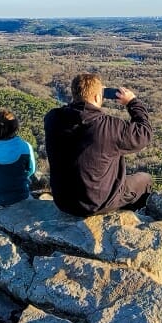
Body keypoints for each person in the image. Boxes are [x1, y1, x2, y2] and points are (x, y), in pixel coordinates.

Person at [44, 72, 153, 217]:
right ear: (97, 97)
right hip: (100, 203)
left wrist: (90, 93)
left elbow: (72, 112)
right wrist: (133, 102)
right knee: (145, 180)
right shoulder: (110, 127)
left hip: (63, 202)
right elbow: (144, 133)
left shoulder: (52, 118)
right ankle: (135, 218)